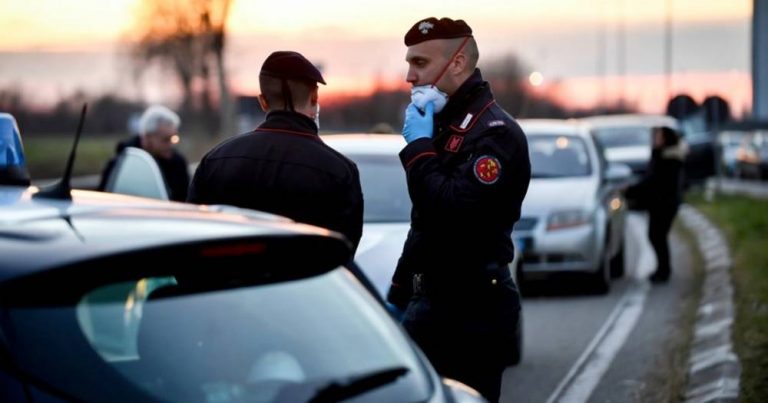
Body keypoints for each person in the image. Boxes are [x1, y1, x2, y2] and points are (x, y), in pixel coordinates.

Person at [386, 17, 531, 402]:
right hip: (431, 302)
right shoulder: (444, 125)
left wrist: (418, 149)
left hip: (474, 309)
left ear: (458, 63)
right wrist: (398, 294)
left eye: (419, 63)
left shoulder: (495, 133)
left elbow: (449, 211)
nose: (409, 77)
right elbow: (423, 225)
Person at [187, 51, 364, 253]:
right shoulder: (339, 171)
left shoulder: (216, 160)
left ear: (263, 101)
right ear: (314, 97)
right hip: (304, 283)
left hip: (230, 283)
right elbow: (343, 252)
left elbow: (193, 238)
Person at [626, 126, 687, 283]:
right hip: (658, 203)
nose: (655, 139)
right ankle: (662, 269)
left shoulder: (669, 159)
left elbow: (653, 182)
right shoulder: (660, 155)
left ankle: (663, 271)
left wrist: (630, 191)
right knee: (657, 236)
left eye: (658, 137)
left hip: (665, 204)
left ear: (666, 139)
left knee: (657, 236)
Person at [98, 105, 190, 202]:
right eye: (165, 140)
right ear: (147, 138)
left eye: (174, 138)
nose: (171, 144)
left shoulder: (178, 163)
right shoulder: (122, 163)